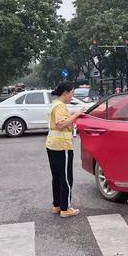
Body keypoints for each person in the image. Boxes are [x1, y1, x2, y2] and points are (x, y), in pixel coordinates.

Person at [46, 81, 84, 218]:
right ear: (65, 93)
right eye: (72, 92)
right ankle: (65, 208)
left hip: (52, 144)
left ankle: (57, 205)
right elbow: (61, 124)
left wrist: (71, 115)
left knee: (56, 176)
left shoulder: (55, 104)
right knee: (66, 178)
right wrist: (76, 115)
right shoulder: (61, 106)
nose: (72, 96)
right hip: (62, 146)